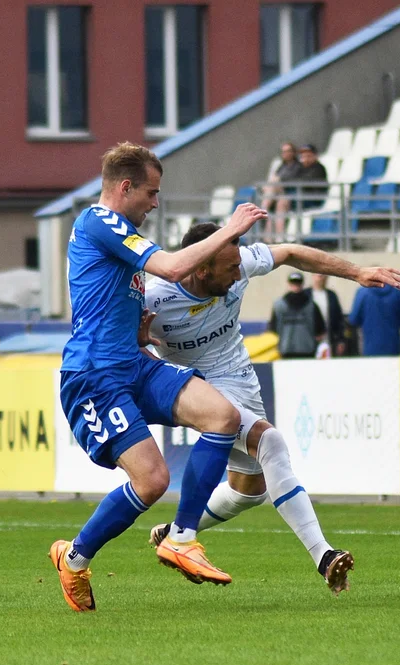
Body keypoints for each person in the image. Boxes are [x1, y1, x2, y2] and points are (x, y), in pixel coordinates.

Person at [49, 141, 268, 613]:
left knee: (223, 416)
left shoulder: (119, 236)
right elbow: (172, 265)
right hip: (95, 373)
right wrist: (231, 229)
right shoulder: (99, 221)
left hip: (133, 362)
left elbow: (113, 297)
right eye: (150, 193)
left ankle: (183, 537)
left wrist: (139, 330)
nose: (154, 202)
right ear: (124, 187)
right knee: (151, 482)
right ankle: (75, 559)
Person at [143, 222, 400, 594]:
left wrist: (357, 272)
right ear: (200, 268)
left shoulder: (237, 262)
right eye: (230, 269)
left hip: (242, 382)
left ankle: (176, 531)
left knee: (248, 490)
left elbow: (291, 252)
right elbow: (118, 340)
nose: (239, 273)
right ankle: (324, 556)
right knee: (271, 442)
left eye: (239, 264)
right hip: (198, 390)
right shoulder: (155, 299)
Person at [267, 272, 327, 358]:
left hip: (307, 351)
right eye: (293, 283)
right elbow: (273, 330)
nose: (295, 286)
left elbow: (320, 331)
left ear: (302, 284)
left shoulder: (311, 306)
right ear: (288, 284)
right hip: (286, 351)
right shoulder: (279, 305)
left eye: (298, 283)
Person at [260, 142, 309, 241]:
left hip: (289, 192)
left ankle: (264, 206)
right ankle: (269, 239)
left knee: (273, 182)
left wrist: (278, 182)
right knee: (275, 206)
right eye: (284, 151)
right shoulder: (281, 166)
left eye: (288, 151)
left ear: (293, 152)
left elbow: (295, 181)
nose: (286, 153)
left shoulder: (298, 166)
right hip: (278, 196)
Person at [347, 284, 400, 356]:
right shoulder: (397, 293)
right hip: (393, 348)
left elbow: (353, 320)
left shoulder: (362, 293)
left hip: (370, 348)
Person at [307, 273, 347, 357]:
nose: (320, 277)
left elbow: (338, 319)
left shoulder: (331, 295)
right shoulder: (306, 295)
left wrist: (340, 340)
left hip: (329, 340)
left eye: (323, 275)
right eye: (317, 274)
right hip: (310, 342)